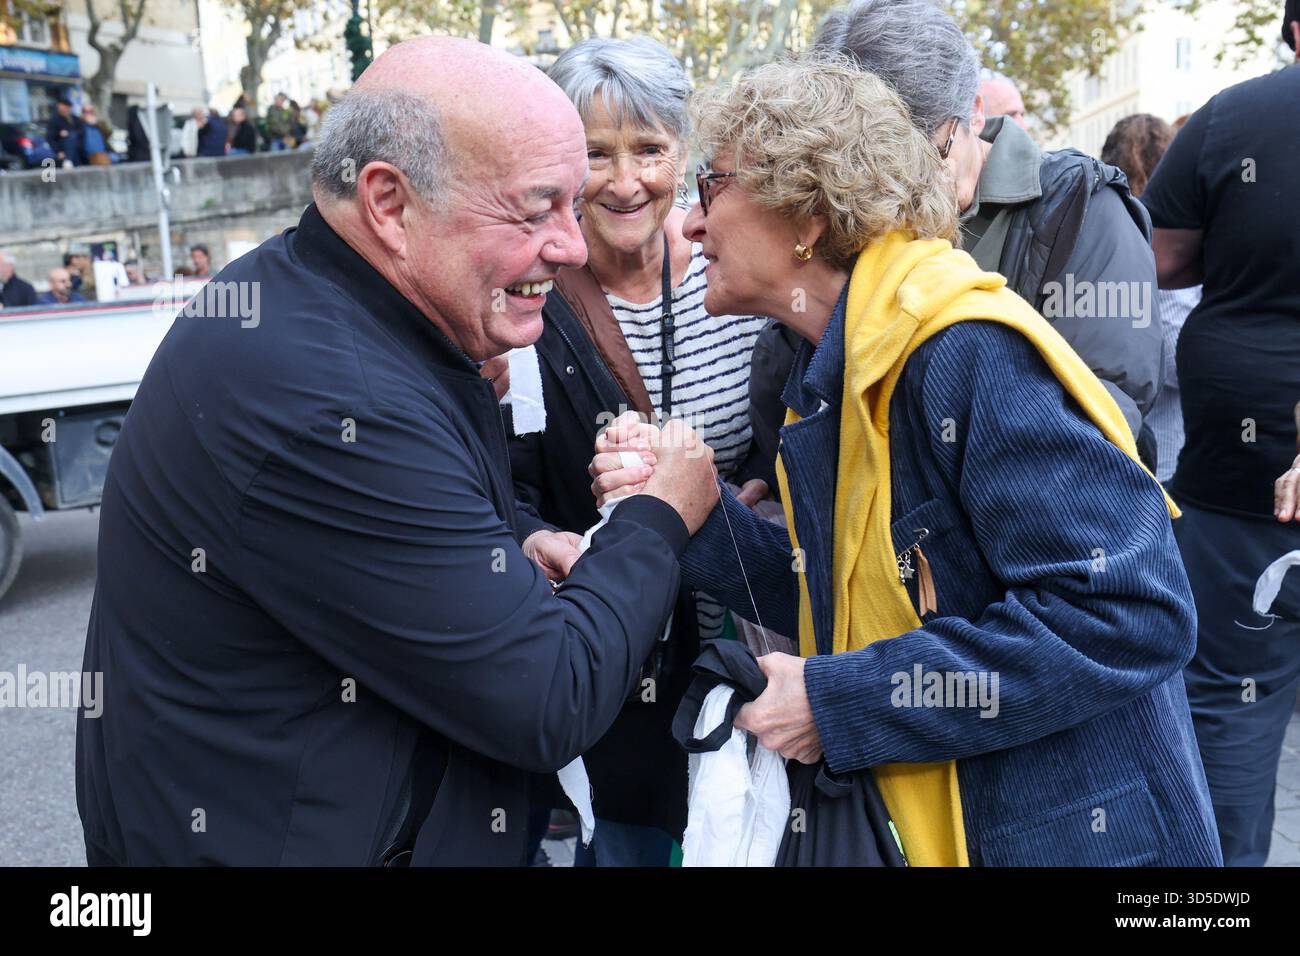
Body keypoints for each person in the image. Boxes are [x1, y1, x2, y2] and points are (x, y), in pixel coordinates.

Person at [76, 35, 715, 867]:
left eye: (572, 204)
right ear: (388, 203)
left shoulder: (320, 299)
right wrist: (659, 514)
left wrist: (506, 551)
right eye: (534, 210)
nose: (573, 246)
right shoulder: (338, 399)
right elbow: (548, 697)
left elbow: (354, 558)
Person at [593, 54, 1220, 866]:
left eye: (712, 186)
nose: (688, 222)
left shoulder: (962, 353)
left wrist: (838, 702)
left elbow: (1131, 614)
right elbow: (845, 602)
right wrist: (693, 509)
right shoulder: (841, 365)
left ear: (807, 214)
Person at [507, 36, 769, 867]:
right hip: (614, 660)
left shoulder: (742, 277)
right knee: (630, 842)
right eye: (595, 155)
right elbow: (501, 482)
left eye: (649, 149)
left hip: (750, 640)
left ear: (684, 154)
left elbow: (795, 438)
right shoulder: (526, 297)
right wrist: (550, 531)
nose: (625, 183)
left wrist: (753, 492)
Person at [744, 0, 1163, 475]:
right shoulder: (840, 204)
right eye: (873, 171)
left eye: (928, 157)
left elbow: (1108, 409)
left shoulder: (1082, 206)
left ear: (974, 113)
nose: (904, 190)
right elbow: (789, 396)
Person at [1140, 21, 1300, 865]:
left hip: (1245, 493)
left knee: (1229, 717)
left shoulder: (1235, 116)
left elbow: (1157, 256)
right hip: (1247, 483)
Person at [1101, 113, 1196, 482]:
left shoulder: (1099, 230)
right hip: (1167, 458)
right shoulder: (1169, 249)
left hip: (1112, 449)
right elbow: (1177, 360)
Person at [46, 97, 81, 166]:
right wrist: (58, 151)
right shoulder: (54, 120)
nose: (65, 110)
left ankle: (69, 159)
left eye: (67, 108)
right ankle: (68, 159)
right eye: (62, 107)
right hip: (63, 149)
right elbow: (50, 137)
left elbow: (81, 131)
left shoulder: (75, 119)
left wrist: (70, 133)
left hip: (77, 150)